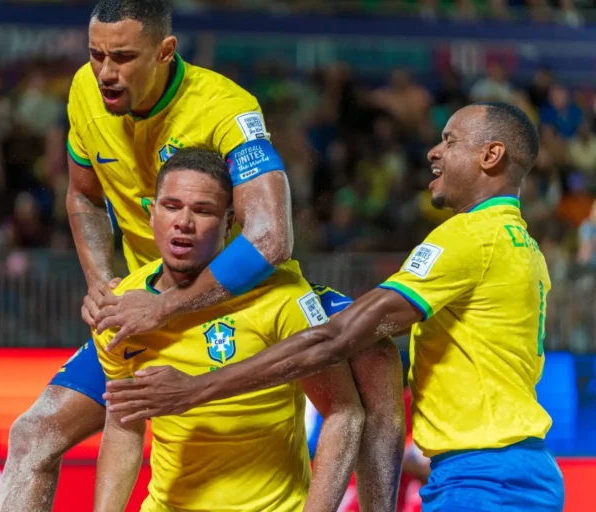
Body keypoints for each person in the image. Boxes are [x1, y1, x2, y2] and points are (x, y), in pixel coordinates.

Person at [0, 1, 404, 510]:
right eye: (96, 55)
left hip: (238, 296)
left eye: (122, 57)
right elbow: (83, 196)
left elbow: (271, 238)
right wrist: (102, 283)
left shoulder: (225, 107)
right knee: (33, 434)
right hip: (150, 305)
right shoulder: (83, 92)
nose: (105, 73)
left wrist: (164, 308)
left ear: (166, 52)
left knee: (377, 352)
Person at [104, 103, 567, 512]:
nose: (433, 152)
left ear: (491, 156)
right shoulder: (523, 247)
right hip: (507, 471)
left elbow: (337, 338)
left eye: (449, 140)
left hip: (485, 480)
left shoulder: (470, 237)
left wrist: (196, 389)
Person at [94, 148, 364, 511]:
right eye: (171, 206)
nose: (183, 222)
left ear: (230, 222)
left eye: (203, 210)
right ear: (151, 213)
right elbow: (123, 425)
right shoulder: (121, 306)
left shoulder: (281, 295)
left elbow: (344, 412)